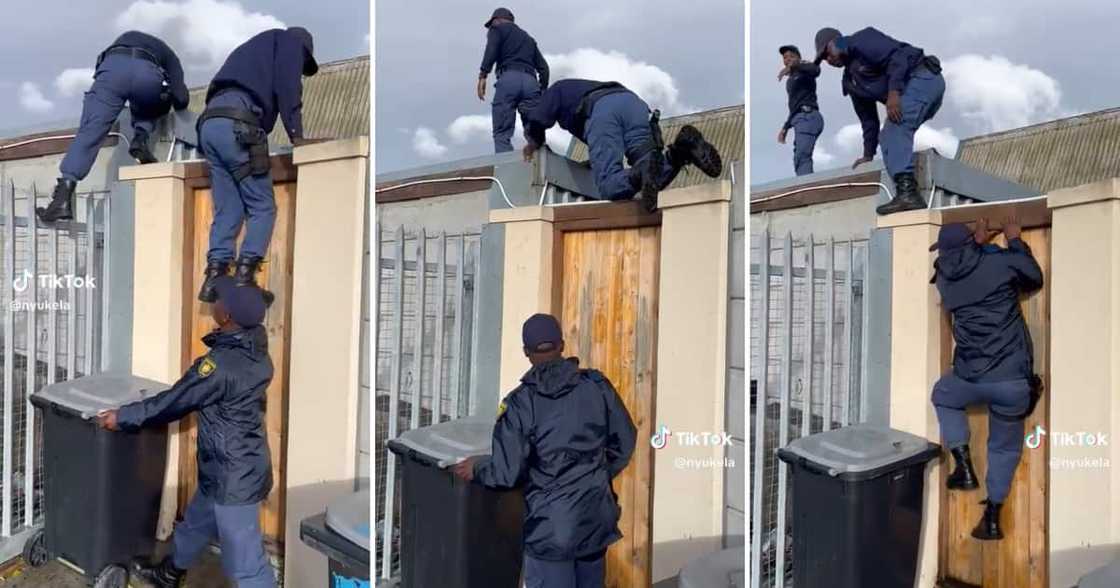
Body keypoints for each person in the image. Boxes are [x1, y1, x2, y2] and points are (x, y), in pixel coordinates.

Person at [97, 275, 273, 587]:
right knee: (195, 525)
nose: (213, 304)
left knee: (245, 565)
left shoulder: (220, 366)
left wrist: (123, 416)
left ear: (228, 316)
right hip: (226, 466)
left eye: (219, 301)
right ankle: (169, 574)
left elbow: (173, 402)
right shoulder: (255, 351)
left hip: (235, 479)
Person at [452, 313, 637, 588]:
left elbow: (507, 472)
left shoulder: (520, 404)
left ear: (526, 353)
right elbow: (625, 440)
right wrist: (594, 474)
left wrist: (478, 467)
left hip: (551, 530)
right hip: (594, 518)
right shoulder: (597, 386)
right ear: (561, 345)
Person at [928, 219, 1044, 541]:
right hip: (1011, 382)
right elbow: (1034, 278)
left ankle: (963, 465)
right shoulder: (999, 261)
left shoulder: (943, 279)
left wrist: (977, 243)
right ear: (972, 242)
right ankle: (991, 516)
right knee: (1003, 448)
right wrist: (1014, 241)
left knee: (943, 395)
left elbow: (963, 266)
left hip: (969, 379)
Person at [194, 27, 320, 303]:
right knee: (262, 206)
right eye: (303, 65)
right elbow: (288, 86)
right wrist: (297, 136)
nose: (299, 70)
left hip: (209, 125)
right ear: (303, 50)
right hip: (238, 125)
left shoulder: (251, 50)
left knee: (228, 208)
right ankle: (244, 278)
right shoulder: (287, 42)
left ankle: (215, 276)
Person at [37, 31, 190, 224]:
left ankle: (63, 198)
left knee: (90, 131)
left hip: (112, 72)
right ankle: (141, 138)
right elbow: (182, 99)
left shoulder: (116, 46)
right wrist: (165, 98)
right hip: (147, 76)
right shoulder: (169, 55)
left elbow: (102, 70)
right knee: (153, 101)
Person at [522, 78, 722, 212]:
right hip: (634, 104)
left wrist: (533, 143)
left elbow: (538, 119)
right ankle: (680, 152)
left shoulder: (554, 90)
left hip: (603, 111)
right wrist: (594, 161)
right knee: (652, 176)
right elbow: (606, 144)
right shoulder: (581, 86)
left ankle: (638, 172)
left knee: (610, 187)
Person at [814, 26, 945, 215]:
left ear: (837, 42)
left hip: (924, 77)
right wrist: (868, 154)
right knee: (890, 133)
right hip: (911, 91)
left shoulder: (861, 40)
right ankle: (906, 191)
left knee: (894, 128)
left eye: (827, 53)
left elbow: (898, 57)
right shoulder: (851, 82)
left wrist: (893, 93)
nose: (828, 60)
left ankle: (908, 194)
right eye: (824, 59)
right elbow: (869, 121)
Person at [478, 7, 549, 153]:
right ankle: (540, 169)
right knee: (535, 133)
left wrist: (483, 74)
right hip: (531, 82)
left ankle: (505, 172)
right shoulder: (529, 39)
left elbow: (491, 50)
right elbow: (544, 68)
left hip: (509, 79)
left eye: (491, 24)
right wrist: (542, 90)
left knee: (502, 133)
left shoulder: (497, 29)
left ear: (496, 20)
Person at [777, 44, 823, 176]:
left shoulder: (804, 69)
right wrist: (785, 127)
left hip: (808, 116)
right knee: (798, 157)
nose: (788, 59)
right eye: (785, 57)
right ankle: (805, 183)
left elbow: (815, 70)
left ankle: (807, 189)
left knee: (802, 156)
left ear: (798, 58)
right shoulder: (790, 81)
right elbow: (794, 106)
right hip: (799, 119)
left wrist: (795, 65)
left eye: (792, 56)